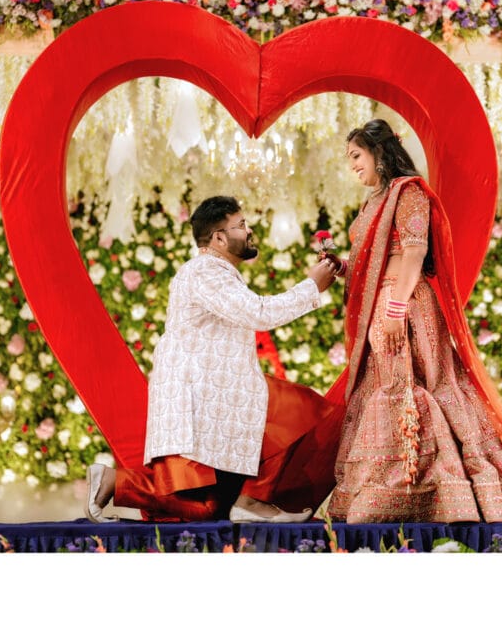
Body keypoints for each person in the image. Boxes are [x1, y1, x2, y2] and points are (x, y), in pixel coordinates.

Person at [323, 119, 502, 524]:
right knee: (390, 384)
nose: (352, 164)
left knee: (427, 384)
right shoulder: (373, 201)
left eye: (356, 155)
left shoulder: (409, 193)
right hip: (381, 303)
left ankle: (439, 491)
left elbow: (413, 253)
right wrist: (342, 267)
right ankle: (393, 488)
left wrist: (395, 309)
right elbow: (370, 263)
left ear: (378, 152)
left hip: (405, 303)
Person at [85, 195, 338, 523]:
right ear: (219, 238)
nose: (249, 231)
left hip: (219, 403)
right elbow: (259, 313)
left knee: (208, 509)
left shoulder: (215, 271)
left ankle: (117, 483)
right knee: (298, 408)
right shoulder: (205, 270)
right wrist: (311, 287)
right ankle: (251, 500)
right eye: (241, 225)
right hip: (197, 406)